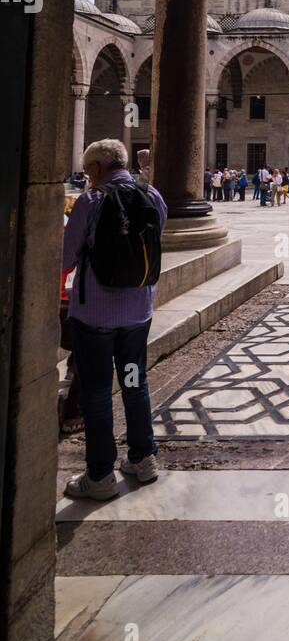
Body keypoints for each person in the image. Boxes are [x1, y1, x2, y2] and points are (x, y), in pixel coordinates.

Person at [61, 138, 167, 500]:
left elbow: (66, 256)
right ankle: (143, 458)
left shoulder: (91, 200)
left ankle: (101, 475)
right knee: (135, 383)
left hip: (95, 319)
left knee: (96, 391)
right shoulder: (152, 196)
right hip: (137, 316)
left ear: (94, 169)